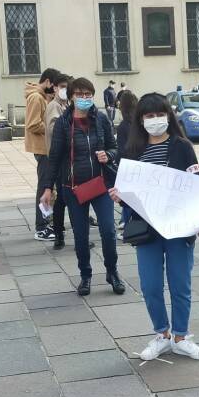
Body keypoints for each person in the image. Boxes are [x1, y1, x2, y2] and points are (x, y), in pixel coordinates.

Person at [110, 93, 199, 362]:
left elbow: (197, 184)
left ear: (168, 115)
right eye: (149, 116)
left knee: (180, 284)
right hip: (147, 229)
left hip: (179, 227)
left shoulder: (182, 146)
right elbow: (127, 189)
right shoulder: (132, 151)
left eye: (159, 114)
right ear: (141, 120)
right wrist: (119, 196)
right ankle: (162, 334)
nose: (155, 120)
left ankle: (181, 336)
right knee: (151, 285)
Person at [40, 78, 125, 296]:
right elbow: (54, 157)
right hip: (73, 187)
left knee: (108, 230)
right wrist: (48, 187)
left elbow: (115, 148)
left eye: (88, 95)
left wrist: (109, 155)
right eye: (80, 94)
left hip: (100, 184)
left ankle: (112, 272)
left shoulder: (101, 120)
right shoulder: (63, 123)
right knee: (80, 235)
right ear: (71, 97)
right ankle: (85, 276)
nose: (85, 98)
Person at [25, 68, 60, 241]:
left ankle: (49, 222)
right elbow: (32, 124)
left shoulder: (43, 97)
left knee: (50, 188)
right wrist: (54, 129)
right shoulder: (36, 98)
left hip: (47, 149)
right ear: (47, 82)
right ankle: (41, 227)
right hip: (42, 149)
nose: (55, 90)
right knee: (44, 187)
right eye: (54, 86)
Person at [43, 73, 71, 250]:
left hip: (65, 158)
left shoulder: (64, 104)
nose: (65, 90)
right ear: (54, 88)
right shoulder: (54, 106)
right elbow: (54, 130)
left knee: (63, 198)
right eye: (62, 87)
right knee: (62, 198)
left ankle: (60, 234)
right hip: (60, 158)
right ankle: (58, 234)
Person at [115, 89, 140, 229]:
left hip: (127, 165)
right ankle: (124, 220)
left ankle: (125, 222)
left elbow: (121, 149)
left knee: (128, 195)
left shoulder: (123, 126)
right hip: (139, 163)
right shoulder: (139, 124)